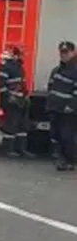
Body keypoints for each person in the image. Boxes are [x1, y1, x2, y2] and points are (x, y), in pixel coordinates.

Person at [45, 40, 77, 171]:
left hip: (68, 111)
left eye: (66, 52)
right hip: (55, 108)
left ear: (73, 52)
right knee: (56, 135)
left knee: (67, 136)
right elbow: (51, 88)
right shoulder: (56, 70)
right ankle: (62, 159)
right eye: (62, 52)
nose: (63, 55)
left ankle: (70, 161)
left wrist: (71, 105)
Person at [0, 46, 29, 157]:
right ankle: (8, 149)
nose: (23, 56)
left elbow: (22, 83)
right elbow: (0, 85)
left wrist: (25, 96)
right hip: (10, 101)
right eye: (21, 54)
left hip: (20, 100)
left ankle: (21, 149)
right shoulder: (5, 66)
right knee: (11, 125)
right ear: (15, 55)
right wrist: (9, 97)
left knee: (22, 125)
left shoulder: (19, 67)